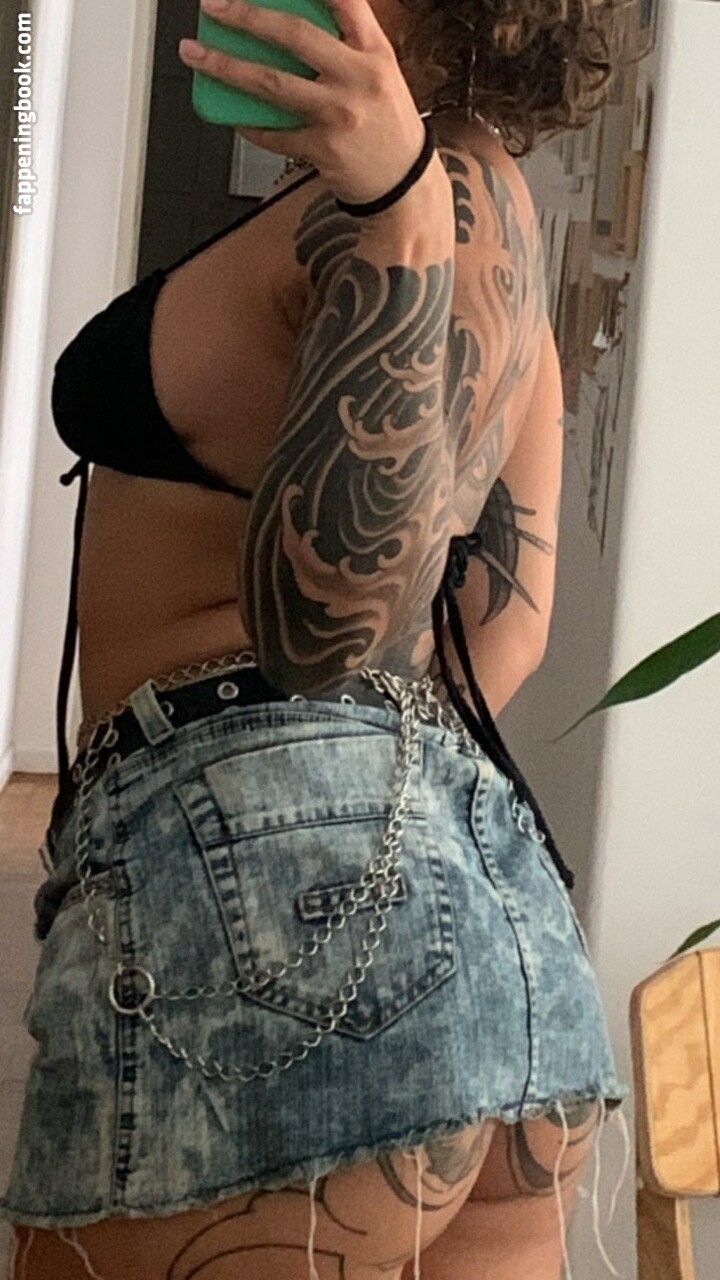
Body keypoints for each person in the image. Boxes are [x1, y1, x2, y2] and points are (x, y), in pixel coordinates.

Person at [1, 0, 631, 1275]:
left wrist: (397, 210)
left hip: (280, 935)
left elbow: (322, 634)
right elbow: (505, 629)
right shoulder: (497, 209)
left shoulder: (415, 200)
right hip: (490, 946)